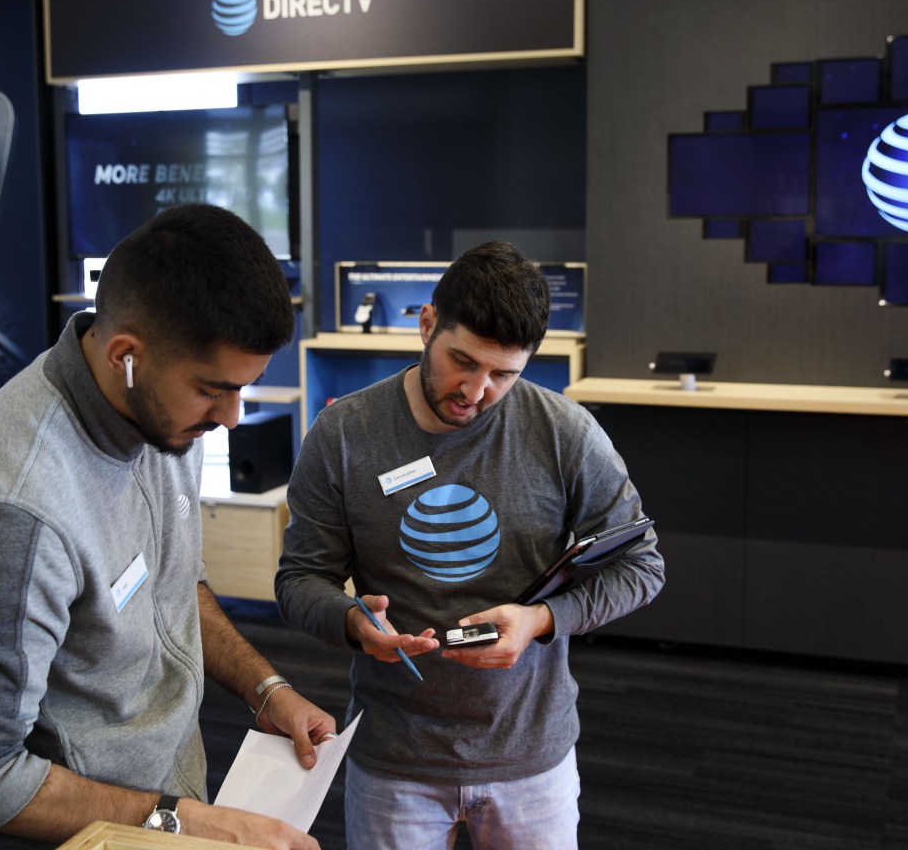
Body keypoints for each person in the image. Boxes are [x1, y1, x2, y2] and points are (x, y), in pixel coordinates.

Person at [0, 205, 333, 850]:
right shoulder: (7, 514)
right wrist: (191, 822)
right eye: (215, 390)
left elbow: (171, 582)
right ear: (126, 355)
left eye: (246, 389)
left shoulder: (164, 414)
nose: (234, 417)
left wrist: (265, 689)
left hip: (163, 806)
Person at [276, 241, 666, 849]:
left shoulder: (563, 431)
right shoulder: (344, 434)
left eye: (504, 374)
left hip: (530, 755)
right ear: (427, 324)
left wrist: (541, 619)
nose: (477, 390)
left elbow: (643, 566)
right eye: (463, 361)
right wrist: (352, 621)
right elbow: (300, 579)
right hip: (395, 755)